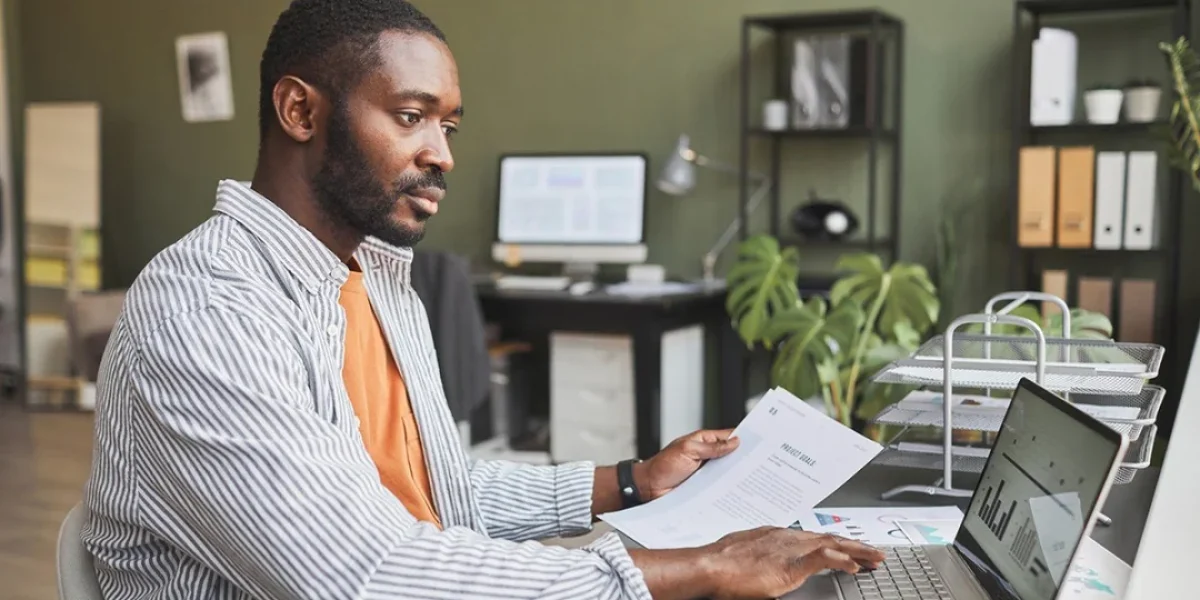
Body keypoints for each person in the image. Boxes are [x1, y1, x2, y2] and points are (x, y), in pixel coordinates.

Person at [82, 1, 885, 599]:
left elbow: (436, 496)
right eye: (411, 117)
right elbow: (369, 571)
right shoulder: (208, 312)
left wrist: (631, 481)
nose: (442, 155)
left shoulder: (370, 279)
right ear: (300, 111)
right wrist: (693, 566)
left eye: (450, 128)